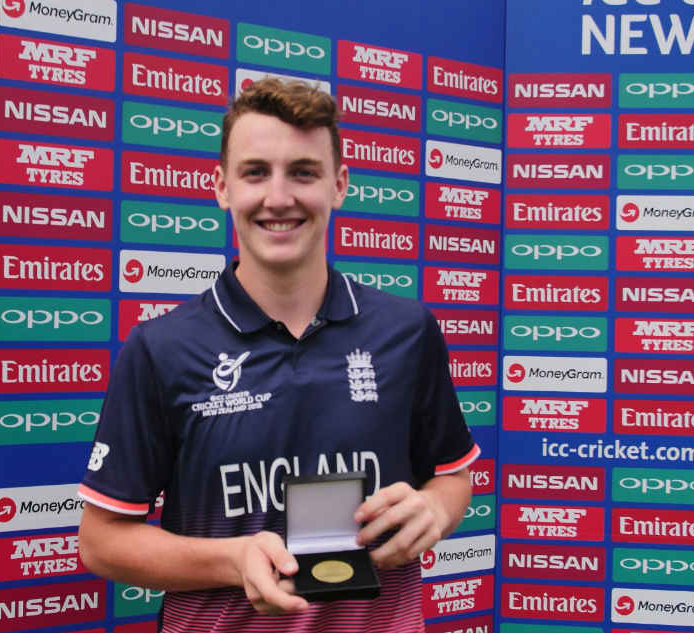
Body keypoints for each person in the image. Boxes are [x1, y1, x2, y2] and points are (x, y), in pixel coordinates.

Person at [78, 77, 479, 632]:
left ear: (339, 185)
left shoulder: (406, 332)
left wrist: (435, 509)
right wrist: (233, 558)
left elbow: (452, 476)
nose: (279, 197)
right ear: (221, 187)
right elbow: (101, 544)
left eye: (304, 172)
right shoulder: (161, 348)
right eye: (256, 172)